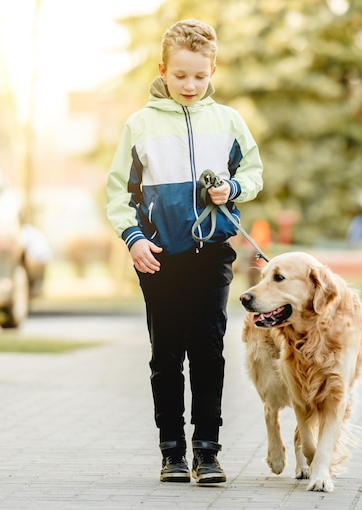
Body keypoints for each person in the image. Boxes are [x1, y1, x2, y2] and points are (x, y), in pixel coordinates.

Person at [105, 19, 263, 484]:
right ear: (163, 71)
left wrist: (233, 186)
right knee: (166, 354)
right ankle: (171, 451)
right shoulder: (140, 125)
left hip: (212, 254)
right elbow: (119, 193)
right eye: (180, 76)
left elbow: (254, 173)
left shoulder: (229, 121)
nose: (190, 85)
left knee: (209, 353)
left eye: (200, 75)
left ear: (213, 68)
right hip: (159, 256)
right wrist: (133, 239)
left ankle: (208, 452)